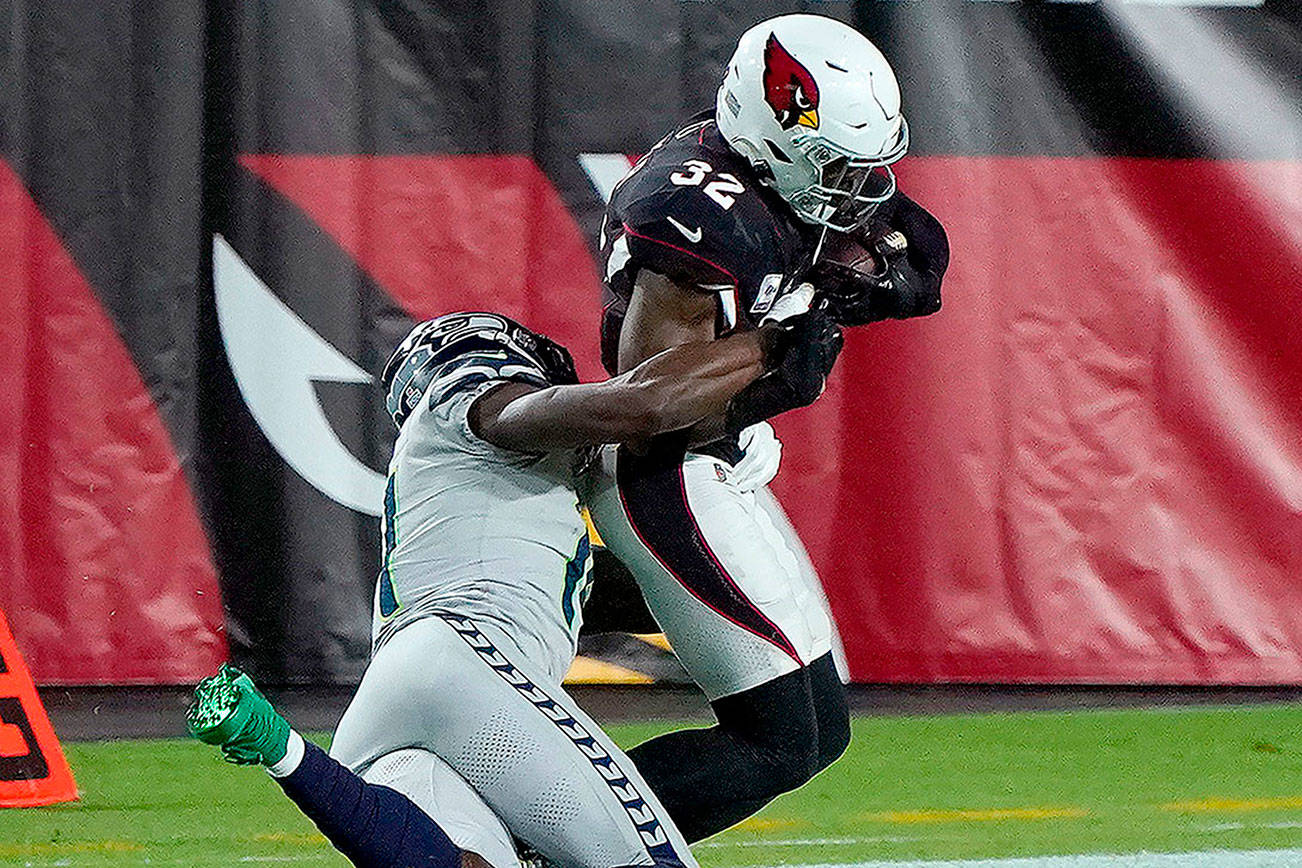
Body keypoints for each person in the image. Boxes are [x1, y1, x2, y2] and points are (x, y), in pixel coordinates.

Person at [188, 308, 842, 868]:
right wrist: (755, 378)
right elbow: (629, 408)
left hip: (409, 688)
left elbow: (662, 585)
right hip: (464, 666)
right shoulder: (471, 405)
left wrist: (287, 754)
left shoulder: (496, 499)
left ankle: (288, 751)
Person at [585, 13, 950, 842]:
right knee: (776, 742)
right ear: (771, 130)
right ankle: (537, 844)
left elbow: (918, 253)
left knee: (817, 736)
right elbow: (650, 409)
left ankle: (545, 612)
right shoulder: (696, 210)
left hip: (724, 462)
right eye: (838, 170)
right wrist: (777, 361)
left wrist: (845, 284)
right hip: (668, 471)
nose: (858, 191)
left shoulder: (780, 174)